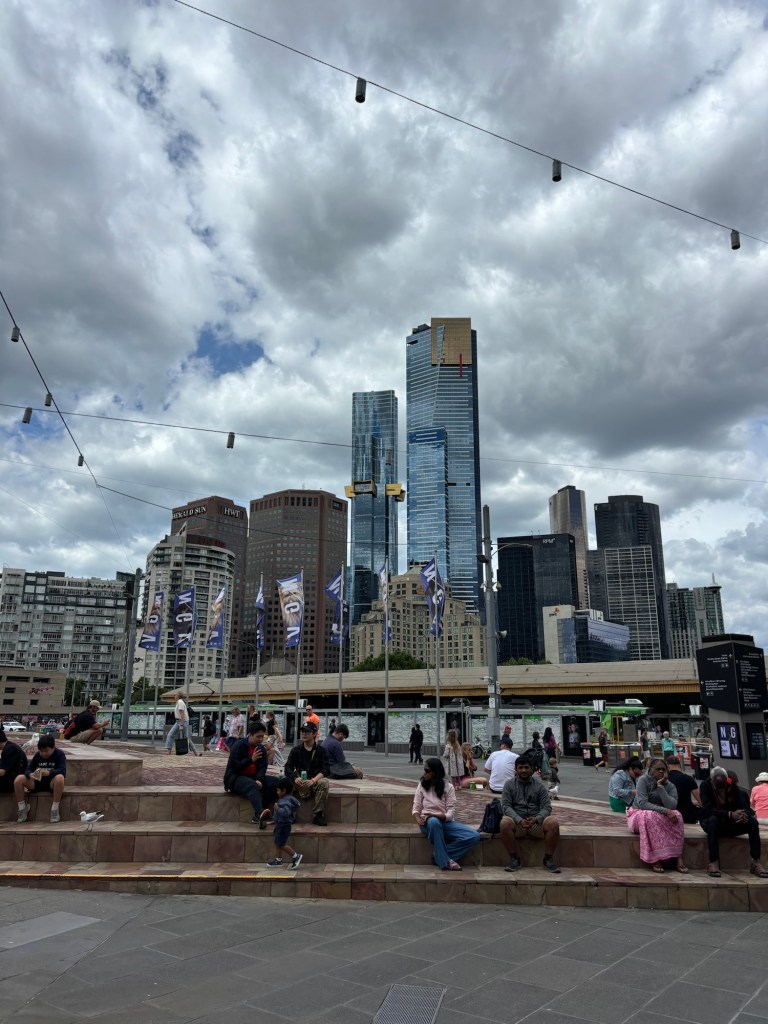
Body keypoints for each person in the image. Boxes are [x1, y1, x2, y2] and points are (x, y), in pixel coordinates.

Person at [412, 757, 482, 871]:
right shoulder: (422, 785)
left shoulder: (448, 787)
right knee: (434, 822)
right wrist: (418, 819)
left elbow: (450, 814)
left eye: (427, 770)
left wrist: (435, 815)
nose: (424, 773)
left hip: (445, 821)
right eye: (424, 770)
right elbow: (416, 807)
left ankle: (439, 856)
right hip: (428, 823)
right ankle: (444, 862)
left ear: (435, 772)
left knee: (474, 836)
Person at [699, 766, 768, 878]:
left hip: (730, 824)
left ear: (727, 780)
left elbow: (745, 807)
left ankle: (755, 862)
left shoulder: (732, 786)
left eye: (723, 786)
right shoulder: (705, 786)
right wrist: (730, 814)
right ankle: (713, 862)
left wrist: (743, 814)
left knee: (753, 822)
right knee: (713, 820)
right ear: (712, 781)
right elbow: (707, 810)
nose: (721, 790)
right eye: (718, 787)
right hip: (713, 824)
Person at [500, 753, 561, 873]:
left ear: (532, 769)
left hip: (536, 823)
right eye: (520, 768)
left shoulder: (539, 786)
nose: (524, 770)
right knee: (504, 823)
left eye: (526, 767)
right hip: (517, 824)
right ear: (516, 769)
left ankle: (548, 859)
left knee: (553, 823)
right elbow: (506, 806)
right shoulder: (509, 785)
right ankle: (514, 859)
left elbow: (547, 807)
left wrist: (537, 818)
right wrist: (519, 820)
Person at [626, 759, 687, 874]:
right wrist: (665, 811)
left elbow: (672, 806)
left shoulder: (670, 786)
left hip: (660, 815)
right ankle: (655, 858)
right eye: (658, 769)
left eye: (663, 769)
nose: (661, 771)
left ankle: (678, 856)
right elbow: (643, 804)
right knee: (650, 815)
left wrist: (660, 787)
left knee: (678, 815)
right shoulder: (643, 780)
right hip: (639, 814)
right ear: (651, 770)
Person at [223, 721, 278, 825]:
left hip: (253, 777)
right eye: (258, 736)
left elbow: (262, 767)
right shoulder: (238, 745)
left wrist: (259, 779)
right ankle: (259, 813)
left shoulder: (261, 748)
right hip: (235, 778)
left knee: (276, 783)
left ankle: (261, 812)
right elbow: (235, 767)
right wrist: (251, 760)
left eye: (262, 737)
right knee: (252, 785)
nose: (261, 739)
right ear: (251, 734)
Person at [284, 721, 330, 826]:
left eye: (307, 732)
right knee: (285, 782)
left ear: (314, 734)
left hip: (314, 782)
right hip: (299, 781)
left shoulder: (321, 751)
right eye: (302, 732)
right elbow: (288, 768)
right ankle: (289, 814)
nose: (304, 734)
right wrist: (295, 778)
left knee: (324, 783)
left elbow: (326, 769)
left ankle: (318, 815)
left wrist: (313, 780)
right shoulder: (296, 750)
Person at [15, 735, 66, 823]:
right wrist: (30, 774)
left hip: (52, 783)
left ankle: (55, 809)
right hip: (37, 782)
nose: (43, 754)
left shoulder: (59, 754)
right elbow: (28, 769)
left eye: (46, 751)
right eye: (41, 751)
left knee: (60, 777)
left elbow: (62, 771)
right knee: (19, 779)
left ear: (53, 747)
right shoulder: (37, 755)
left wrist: (48, 773)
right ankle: (22, 808)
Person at [266, 778, 302, 869]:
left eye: (278, 790)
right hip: (280, 824)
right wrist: (275, 820)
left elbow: (285, 813)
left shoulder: (285, 801)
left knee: (281, 844)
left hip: (283, 825)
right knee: (277, 841)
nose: (277, 792)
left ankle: (296, 856)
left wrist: (277, 808)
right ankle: (278, 860)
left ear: (284, 791)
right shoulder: (287, 799)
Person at [665, 755, 701, 824]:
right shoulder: (688, 779)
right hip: (686, 815)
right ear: (680, 765)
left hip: (669, 815)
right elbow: (700, 801)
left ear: (667, 766)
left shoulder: (663, 779)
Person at [165, 692, 202, 756]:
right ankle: (169, 751)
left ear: (178, 696)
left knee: (186, 737)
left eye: (175, 694)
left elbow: (182, 714)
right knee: (170, 735)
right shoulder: (178, 702)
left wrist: (181, 725)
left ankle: (196, 752)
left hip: (183, 721)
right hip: (177, 721)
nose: (174, 695)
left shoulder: (180, 702)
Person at [0, 729, 28, 795]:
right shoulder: (10, 746)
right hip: (13, 779)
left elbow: (2, 772)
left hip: (12, 782)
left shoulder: (10, 749)